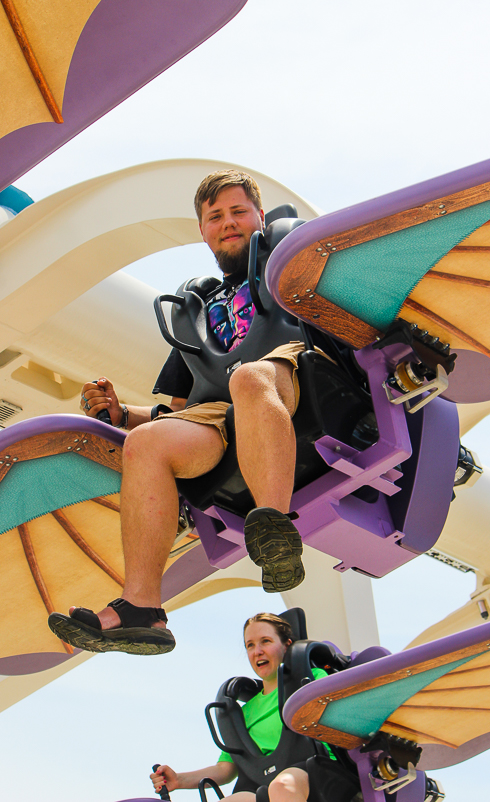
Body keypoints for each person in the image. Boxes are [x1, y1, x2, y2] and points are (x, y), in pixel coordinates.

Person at [48, 171, 311, 656]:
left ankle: (275, 526)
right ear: (202, 230)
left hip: (292, 377)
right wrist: (124, 414)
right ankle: (142, 607)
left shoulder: (290, 266)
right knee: (147, 442)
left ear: (258, 215)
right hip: (219, 414)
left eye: (238, 212)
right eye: (215, 217)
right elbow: (179, 411)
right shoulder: (197, 310)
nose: (227, 223)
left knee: (249, 378)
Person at [150, 613, 331, 801]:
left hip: (315, 770)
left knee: (282, 785)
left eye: (266, 641)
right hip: (262, 784)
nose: (257, 651)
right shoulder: (244, 712)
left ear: (287, 645)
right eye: (250, 645)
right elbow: (226, 769)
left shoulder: (310, 679)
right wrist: (179, 780)